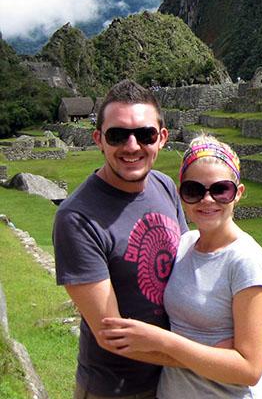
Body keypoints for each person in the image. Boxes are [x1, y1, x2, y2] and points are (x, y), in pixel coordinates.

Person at [100, 134, 262, 398]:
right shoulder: (184, 244)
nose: (207, 200)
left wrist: (162, 342)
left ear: (238, 193)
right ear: (182, 195)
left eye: (220, 190)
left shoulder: (245, 261)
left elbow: (249, 370)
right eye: (194, 190)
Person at [53, 80, 188, 398]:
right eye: (118, 135)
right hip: (118, 389)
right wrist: (206, 360)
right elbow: (111, 333)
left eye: (145, 134)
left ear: (162, 138)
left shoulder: (165, 186)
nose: (132, 146)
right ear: (99, 139)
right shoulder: (77, 218)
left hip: (176, 383)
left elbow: (187, 264)